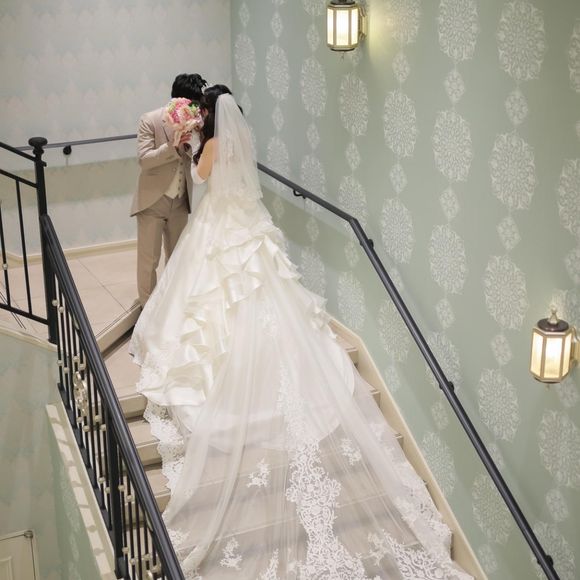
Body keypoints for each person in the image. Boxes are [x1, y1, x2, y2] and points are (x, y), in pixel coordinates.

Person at [129, 85, 473, 579]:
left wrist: (192, 146)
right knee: (261, 289)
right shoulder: (242, 141)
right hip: (247, 222)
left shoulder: (212, 145)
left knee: (212, 298)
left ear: (208, 116)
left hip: (219, 224)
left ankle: (226, 363)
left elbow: (202, 178)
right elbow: (241, 182)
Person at [131, 73, 207, 307]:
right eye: (192, 104)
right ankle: (147, 311)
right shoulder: (150, 120)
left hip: (181, 201)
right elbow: (144, 159)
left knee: (177, 260)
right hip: (153, 202)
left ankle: (172, 309)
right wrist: (172, 145)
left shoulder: (197, 124)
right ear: (178, 100)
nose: (195, 110)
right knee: (149, 262)